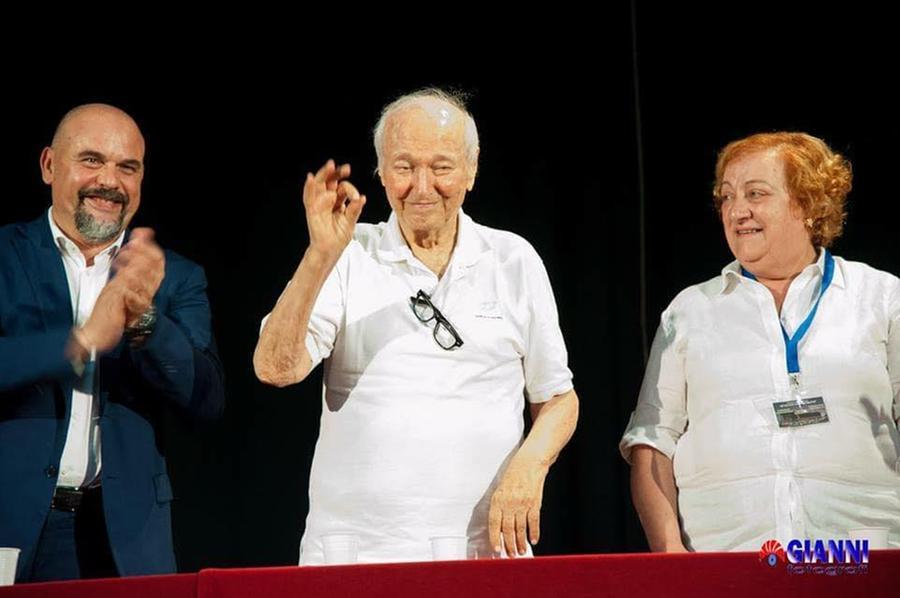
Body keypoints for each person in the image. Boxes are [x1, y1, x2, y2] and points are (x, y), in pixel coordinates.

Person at [254, 88, 579, 563]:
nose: (422, 187)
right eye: (404, 167)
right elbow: (274, 368)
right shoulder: (347, 255)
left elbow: (558, 399)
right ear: (382, 172)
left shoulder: (514, 259)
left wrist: (530, 465)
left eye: (441, 167)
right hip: (355, 556)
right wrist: (319, 255)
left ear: (471, 170)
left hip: (482, 554)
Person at [621, 131, 900, 551]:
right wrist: (672, 560)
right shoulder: (691, 311)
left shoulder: (881, 297)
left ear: (807, 204)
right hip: (725, 564)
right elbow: (651, 443)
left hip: (863, 561)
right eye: (727, 197)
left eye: (756, 193)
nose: (737, 211)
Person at [0, 103, 225, 581]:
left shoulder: (174, 277)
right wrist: (79, 341)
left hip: (122, 539)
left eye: (128, 167)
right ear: (48, 166)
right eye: (91, 160)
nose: (110, 181)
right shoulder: (3, 256)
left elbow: (206, 401)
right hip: (10, 524)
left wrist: (145, 320)